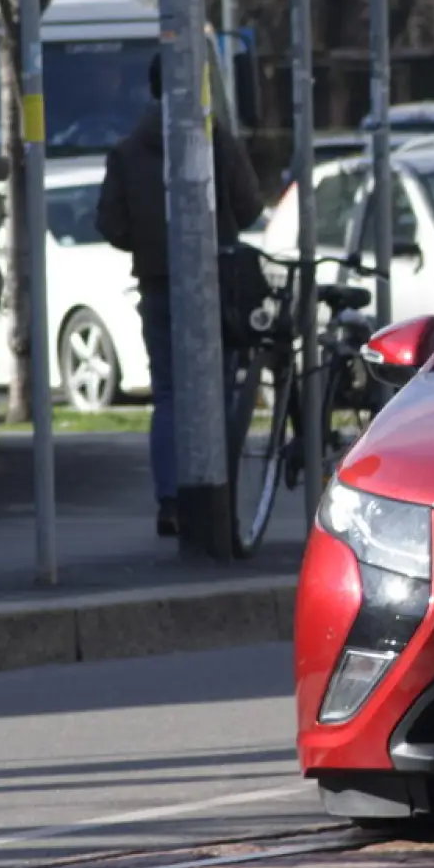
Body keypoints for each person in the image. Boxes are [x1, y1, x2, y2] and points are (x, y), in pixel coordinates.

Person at [98, 54, 263, 537]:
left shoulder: (127, 152)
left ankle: (171, 499)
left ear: (151, 89)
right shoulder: (217, 142)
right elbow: (250, 208)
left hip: (157, 284)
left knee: (168, 394)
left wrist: (152, 244)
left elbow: (111, 224)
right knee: (222, 390)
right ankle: (219, 493)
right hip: (219, 284)